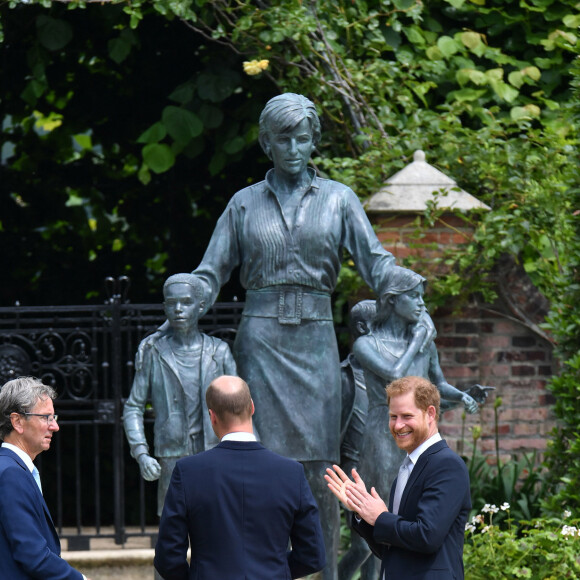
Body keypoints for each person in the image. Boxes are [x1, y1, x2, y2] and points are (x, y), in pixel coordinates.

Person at [143, 93, 433, 579]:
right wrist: (185, 296)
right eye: (283, 139)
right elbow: (210, 273)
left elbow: (375, 261)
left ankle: (325, 573)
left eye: (303, 138)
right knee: (260, 462)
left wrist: (405, 288)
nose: (294, 148)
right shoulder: (244, 203)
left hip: (315, 341)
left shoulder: (340, 199)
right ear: (266, 143)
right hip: (260, 341)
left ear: (314, 140)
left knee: (322, 464)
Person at [339, 268, 479, 580]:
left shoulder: (445, 466)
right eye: (413, 296)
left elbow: (437, 385)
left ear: (430, 415)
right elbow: (395, 375)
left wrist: (464, 395)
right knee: (365, 547)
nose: (421, 304)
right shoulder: (368, 344)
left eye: (421, 296)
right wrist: (365, 515)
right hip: (377, 437)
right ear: (391, 300)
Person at [154, 375, 326, 580]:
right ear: (252, 407)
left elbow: (168, 558)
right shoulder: (291, 473)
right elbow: (313, 556)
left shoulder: (188, 471)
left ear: (212, 416)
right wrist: (275, 571)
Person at [326, 376, 471, 580]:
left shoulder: (446, 465)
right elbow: (392, 549)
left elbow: (426, 536)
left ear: (430, 413)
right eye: (393, 416)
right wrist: (361, 509)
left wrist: (380, 518)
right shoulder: (408, 467)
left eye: (406, 416)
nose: (398, 425)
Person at [123, 273, 238, 518]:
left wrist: (243, 455)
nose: (178, 309)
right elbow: (133, 407)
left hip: (216, 454)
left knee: (219, 526)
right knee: (173, 531)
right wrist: (141, 453)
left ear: (201, 306)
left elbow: (239, 409)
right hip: (172, 456)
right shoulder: (153, 353)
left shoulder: (220, 352)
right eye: (171, 303)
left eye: (185, 302)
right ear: (164, 307)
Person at [0, 376, 91, 580]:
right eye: (45, 417)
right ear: (17, 422)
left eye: (53, 418)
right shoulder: (11, 474)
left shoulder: (11, 468)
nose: (54, 426)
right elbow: (33, 556)